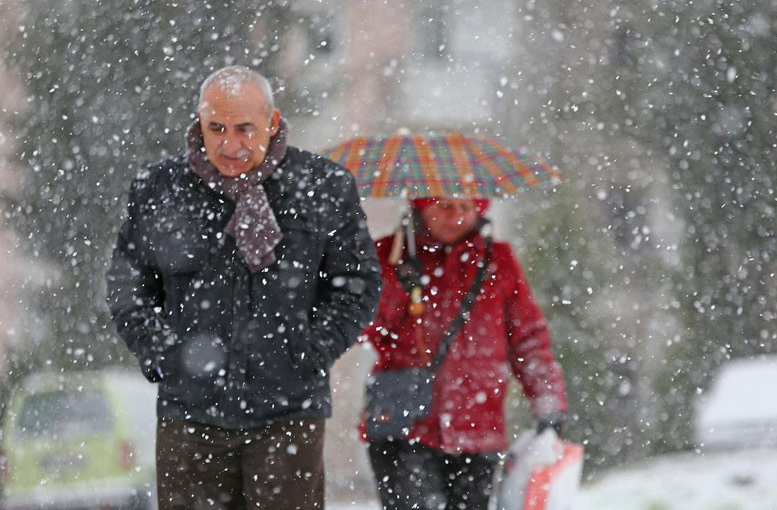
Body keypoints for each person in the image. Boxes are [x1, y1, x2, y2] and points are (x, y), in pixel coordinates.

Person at [106, 65, 382, 509]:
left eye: (243, 129)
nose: (229, 145)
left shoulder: (324, 188)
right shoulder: (161, 189)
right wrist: (165, 355)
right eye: (216, 128)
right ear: (199, 122)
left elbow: (358, 286)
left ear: (272, 124)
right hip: (190, 418)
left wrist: (309, 353)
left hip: (289, 415)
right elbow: (128, 287)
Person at [362, 197, 568, 510]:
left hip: (478, 428)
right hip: (403, 426)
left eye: (465, 207)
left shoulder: (498, 260)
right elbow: (364, 327)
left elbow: (527, 338)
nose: (455, 216)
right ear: (422, 206)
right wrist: (398, 282)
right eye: (443, 206)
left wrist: (548, 401)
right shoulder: (390, 254)